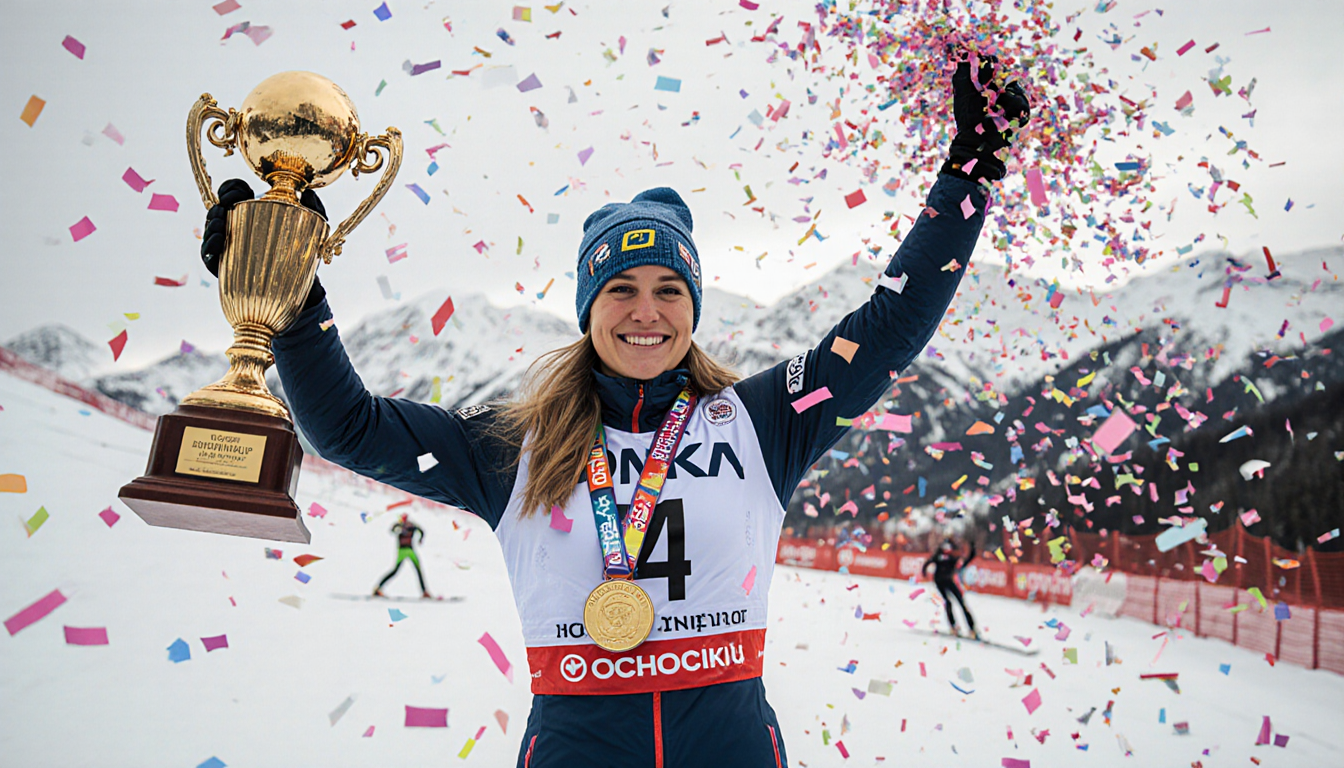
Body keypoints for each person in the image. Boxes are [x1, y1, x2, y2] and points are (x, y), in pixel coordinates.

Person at [201, 51, 1028, 768]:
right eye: (621, 290)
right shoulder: (511, 448)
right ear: (588, 306)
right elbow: (346, 428)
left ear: (693, 306)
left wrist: (969, 174)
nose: (647, 311)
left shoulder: (766, 420)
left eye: (670, 290)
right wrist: (294, 294)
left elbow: (886, 332)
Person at [922, 537, 979, 639]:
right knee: (949, 602)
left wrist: (972, 550)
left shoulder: (951, 557)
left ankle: (971, 628)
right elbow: (928, 562)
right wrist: (924, 572)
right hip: (940, 581)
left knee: (960, 603)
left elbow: (965, 561)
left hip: (948, 580)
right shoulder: (942, 556)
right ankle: (955, 626)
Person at [374, 512, 431, 598]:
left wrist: (420, 538)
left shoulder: (406, 525)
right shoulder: (404, 526)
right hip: (405, 550)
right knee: (412, 570)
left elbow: (421, 531)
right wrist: (420, 538)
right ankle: (424, 592)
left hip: (406, 550)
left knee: (415, 570)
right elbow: (393, 530)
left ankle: (378, 588)